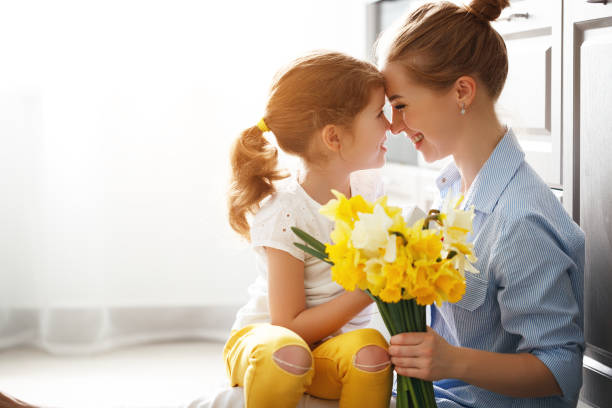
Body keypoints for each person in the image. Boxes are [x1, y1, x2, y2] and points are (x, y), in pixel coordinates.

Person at [378, 0, 585, 407]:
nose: (395, 125)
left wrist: (452, 361)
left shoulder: (518, 220)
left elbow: (561, 369)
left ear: (462, 91)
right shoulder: (453, 186)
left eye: (401, 105)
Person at [225, 50, 393, 408]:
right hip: (267, 340)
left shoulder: (370, 189)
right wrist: (370, 289)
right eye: (379, 114)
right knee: (287, 354)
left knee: (373, 354)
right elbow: (289, 325)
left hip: (328, 352)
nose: (390, 126)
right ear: (334, 138)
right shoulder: (286, 214)